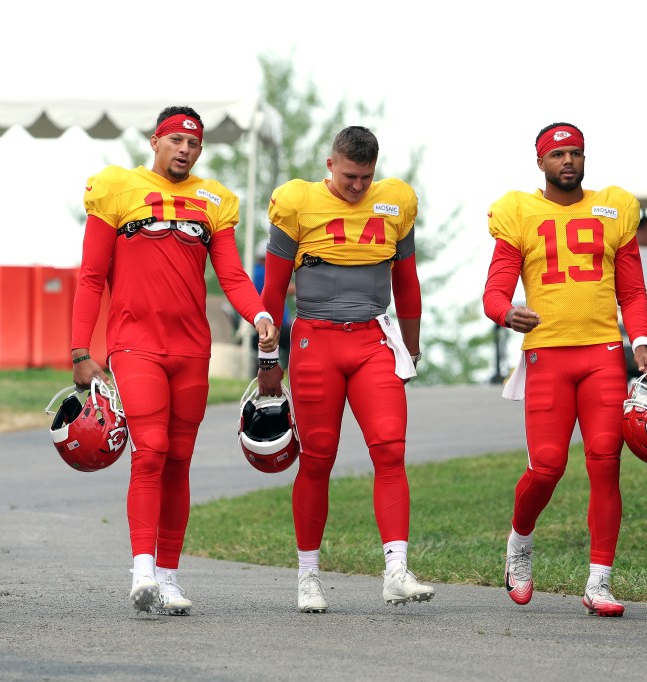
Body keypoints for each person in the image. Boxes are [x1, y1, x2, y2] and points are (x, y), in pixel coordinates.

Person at [71, 105, 279, 616]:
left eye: (194, 144)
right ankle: (141, 570)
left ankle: (167, 575)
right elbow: (90, 278)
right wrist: (80, 350)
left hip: (190, 348)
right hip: (134, 343)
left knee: (180, 460)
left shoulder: (213, 201)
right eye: (176, 141)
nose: (185, 150)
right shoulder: (117, 189)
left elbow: (231, 276)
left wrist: (258, 314)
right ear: (155, 141)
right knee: (152, 450)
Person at [482, 122, 647, 617]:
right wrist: (504, 312)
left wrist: (640, 341)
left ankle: (599, 581)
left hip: (602, 352)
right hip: (547, 355)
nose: (568, 161)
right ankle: (519, 542)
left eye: (576, 153)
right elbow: (494, 290)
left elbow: (632, 290)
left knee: (605, 461)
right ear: (540, 162)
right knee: (547, 466)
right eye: (558, 154)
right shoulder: (520, 212)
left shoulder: (613, 208)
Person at [258, 125, 433, 613]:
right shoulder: (297, 202)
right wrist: (269, 358)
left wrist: (411, 349)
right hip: (316, 339)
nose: (358, 187)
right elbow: (272, 290)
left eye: (366, 178)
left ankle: (396, 569)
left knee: (390, 449)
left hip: (374, 338)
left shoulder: (395, 201)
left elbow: (408, 281)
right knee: (318, 456)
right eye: (350, 176)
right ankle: (308, 575)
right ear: (330, 164)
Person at [252, 238, 294, 368]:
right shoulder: (260, 272)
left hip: (273, 325)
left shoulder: (258, 271)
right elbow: (280, 287)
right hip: (265, 326)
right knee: (295, 333)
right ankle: (287, 368)